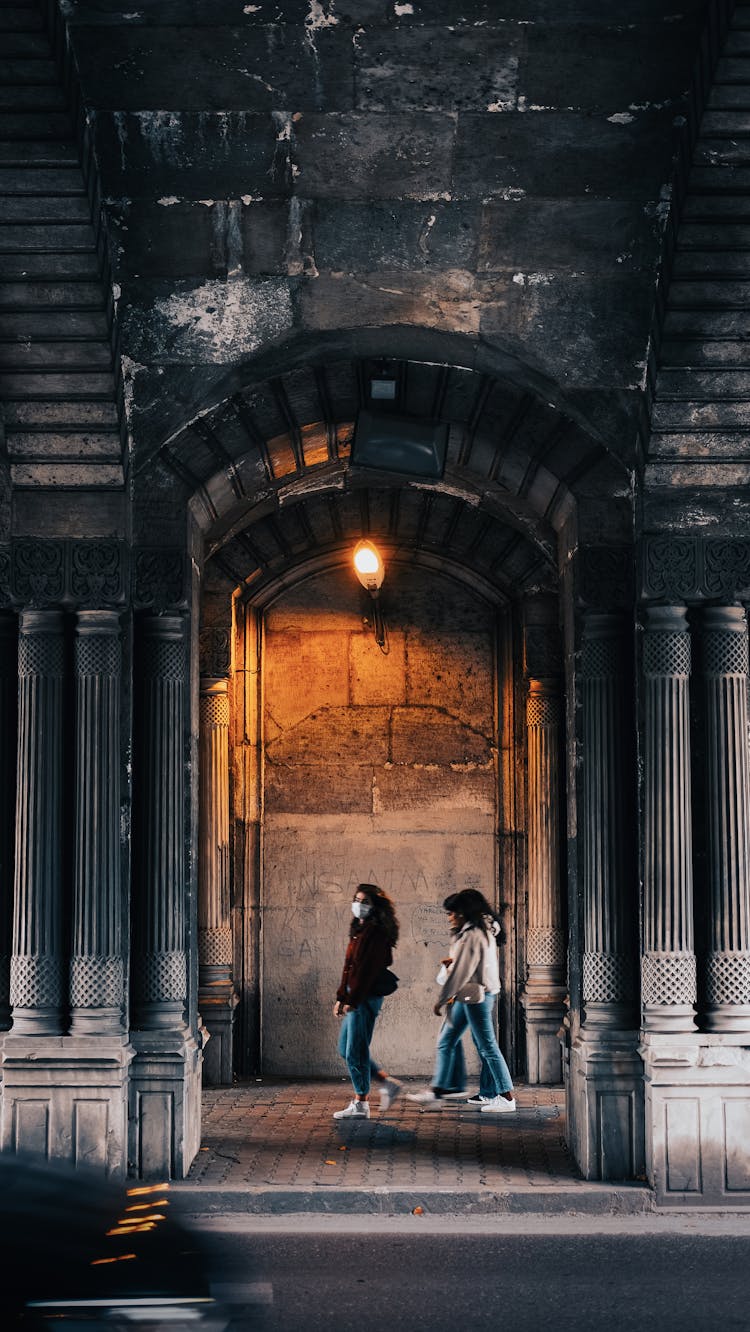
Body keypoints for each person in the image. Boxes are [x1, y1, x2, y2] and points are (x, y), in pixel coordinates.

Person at [407, 888, 516, 1114]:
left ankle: (506, 1097)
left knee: (487, 1046)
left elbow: (462, 972)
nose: (449, 916)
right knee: (447, 1039)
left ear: (464, 912)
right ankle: (441, 1090)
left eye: (453, 912)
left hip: (476, 996)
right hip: (469, 995)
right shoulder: (474, 931)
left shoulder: (473, 935)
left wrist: (442, 998)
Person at [332, 883, 402, 1119]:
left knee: (355, 1050)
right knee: (346, 1048)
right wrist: (341, 997)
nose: (359, 905)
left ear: (375, 906)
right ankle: (386, 1083)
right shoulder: (358, 929)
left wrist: (352, 1000)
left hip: (365, 998)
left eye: (365, 902)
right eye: (357, 900)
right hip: (354, 996)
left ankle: (361, 1102)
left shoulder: (376, 933)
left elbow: (367, 971)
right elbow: (349, 968)